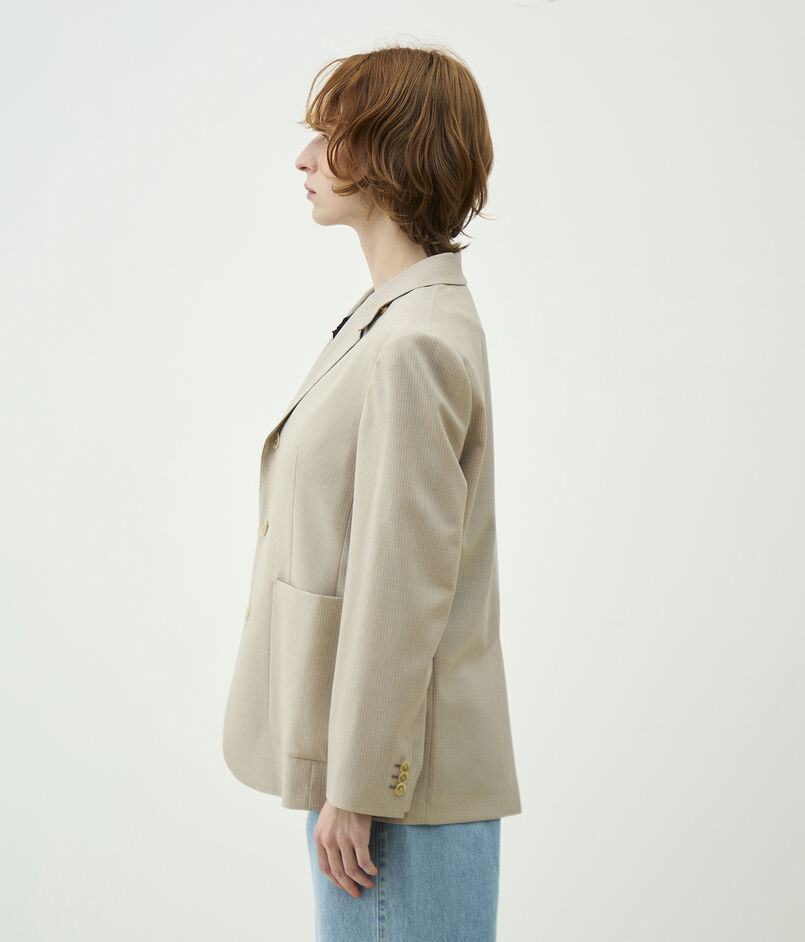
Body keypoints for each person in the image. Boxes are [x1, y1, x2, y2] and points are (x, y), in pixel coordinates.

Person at [222, 42, 521, 941]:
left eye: (332, 134)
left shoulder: (412, 341)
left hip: (393, 795)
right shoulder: (392, 317)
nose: (304, 157)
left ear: (391, 152)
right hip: (377, 777)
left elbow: (400, 582)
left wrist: (356, 789)